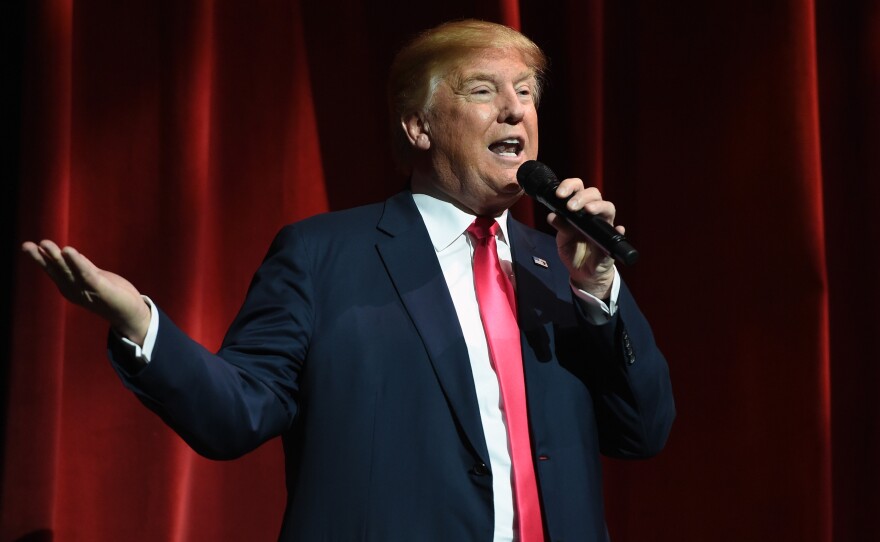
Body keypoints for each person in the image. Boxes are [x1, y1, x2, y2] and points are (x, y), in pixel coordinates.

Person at [23, 19, 674, 542]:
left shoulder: (561, 265)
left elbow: (642, 433)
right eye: (483, 90)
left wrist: (599, 293)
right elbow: (237, 413)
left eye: (526, 92)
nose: (514, 111)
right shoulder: (323, 256)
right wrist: (142, 325)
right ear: (417, 126)